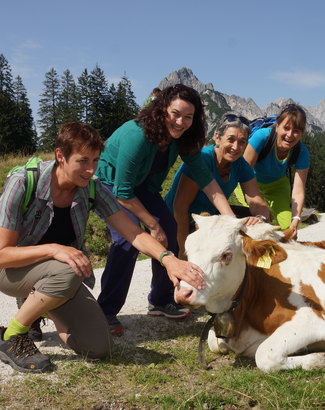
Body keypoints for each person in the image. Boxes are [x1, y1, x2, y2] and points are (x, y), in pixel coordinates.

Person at [0, 122, 205, 373]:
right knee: (68, 268)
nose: (90, 169)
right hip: (11, 270)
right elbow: (1, 256)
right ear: (60, 156)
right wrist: (54, 249)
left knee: (98, 347)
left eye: (96, 160)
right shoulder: (23, 182)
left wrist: (168, 259)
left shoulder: (92, 186)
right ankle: (12, 336)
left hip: (59, 274)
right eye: (82, 161)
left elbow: (133, 233)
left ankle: (37, 306)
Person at [95, 84, 234, 335]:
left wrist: (232, 219)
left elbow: (207, 181)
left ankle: (160, 300)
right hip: (110, 184)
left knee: (169, 230)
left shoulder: (185, 139)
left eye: (188, 117)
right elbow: (122, 191)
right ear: (161, 111)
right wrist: (152, 223)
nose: (180, 122)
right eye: (175, 114)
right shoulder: (136, 135)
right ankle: (104, 311)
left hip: (142, 187)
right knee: (128, 242)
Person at [165, 113, 271, 255]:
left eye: (242, 142)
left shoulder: (241, 165)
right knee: (169, 273)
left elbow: (256, 200)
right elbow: (180, 207)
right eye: (231, 139)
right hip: (174, 222)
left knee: (262, 220)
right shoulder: (203, 159)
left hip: (206, 220)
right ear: (217, 137)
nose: (235, 147)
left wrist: (260, 218)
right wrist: (184, 248)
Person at [235, 103, 310, 238]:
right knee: (260, 224)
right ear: (277, 126)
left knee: (287, 230)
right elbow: (243, 173)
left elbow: (298, 190)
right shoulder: (261, 137)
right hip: (249, 182)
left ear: (301, 133)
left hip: (277, 186)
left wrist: (296, 220)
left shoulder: (302, 152)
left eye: (296, 131)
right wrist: (261, 208)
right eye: (286, 128)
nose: (290, 135)